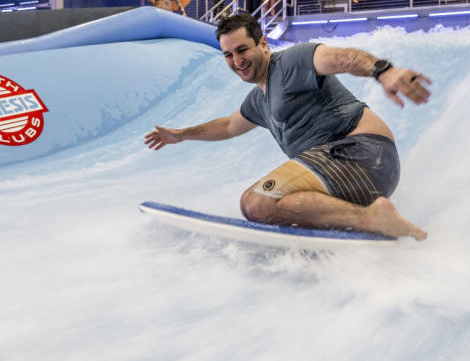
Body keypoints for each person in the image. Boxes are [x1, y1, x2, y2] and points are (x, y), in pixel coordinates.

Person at [143, 13, 431, 240]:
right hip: (355, 174)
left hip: (365, 155)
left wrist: (384, 71)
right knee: (273, 204)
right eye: (228, 55)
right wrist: (180, 135)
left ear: (264, 44)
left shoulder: (291, 62)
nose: (237, 61)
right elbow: (230, 125)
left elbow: (338, 58)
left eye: (242, 49)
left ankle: (371, 219)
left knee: (257, 202)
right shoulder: (259, 98)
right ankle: (370, 215)